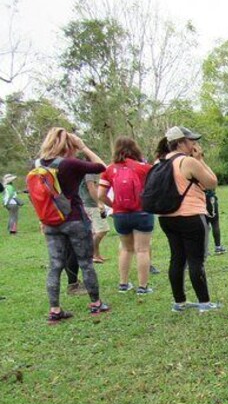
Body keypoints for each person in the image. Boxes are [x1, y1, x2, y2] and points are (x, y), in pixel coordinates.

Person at [36, 127, 109, 323]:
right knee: (85, 262)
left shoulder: (39, 165)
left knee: (55, 266)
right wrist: (83, 146)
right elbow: (102, 167)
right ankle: (95, 304)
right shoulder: (70, 164)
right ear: (70, 145)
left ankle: (55, 310)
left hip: (51, 221)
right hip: (75, 219)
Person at [155, 126, 221, 313]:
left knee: (176, 259)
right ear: (181, 143)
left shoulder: (159, 162)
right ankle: (204, 303)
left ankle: (179, 302)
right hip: (191, 216)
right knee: (195, 260)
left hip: (166, 217)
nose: (194, 144)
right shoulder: (187, 162)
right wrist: (199, 160)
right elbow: (212, 183)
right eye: (191, 140)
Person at [98, 137, 154, 295]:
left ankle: (123, 284)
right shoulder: (144, 168)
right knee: (142, 250)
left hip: (120, 214)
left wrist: (113, 205)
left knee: (125, 249)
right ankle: (142, 287)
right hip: (142, 212)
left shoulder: (109, 170)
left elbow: (100, 194)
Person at [79, 173, 109, 263]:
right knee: (102, 230)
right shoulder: (89, 173)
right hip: (91, 205)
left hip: (88, 204)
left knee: (94, 231)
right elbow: (91, 187)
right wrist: (99, 202)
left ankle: (96, 254)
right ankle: (93, 254)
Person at [205, 187, 226, 255]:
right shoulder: (209, 177)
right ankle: (218, 247)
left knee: (204, 226)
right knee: (215, 223)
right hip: (211, 200)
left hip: (200, 201)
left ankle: (205, 249)